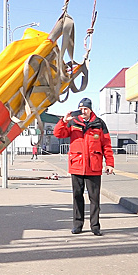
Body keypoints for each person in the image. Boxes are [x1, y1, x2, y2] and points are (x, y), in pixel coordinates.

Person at [53, 98, 114, 236]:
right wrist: (64, 121)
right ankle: (77, 225)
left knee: (94, 198)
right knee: (77, 196)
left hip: (94, 167)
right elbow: (58, 133)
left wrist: (109, 163)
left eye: (85, 109)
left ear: (90, 109)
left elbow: (106, 144)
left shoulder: (99, 123)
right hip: (77, 166)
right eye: (80, 109)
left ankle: (95, 226)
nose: (83, 111)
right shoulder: (73, 122)